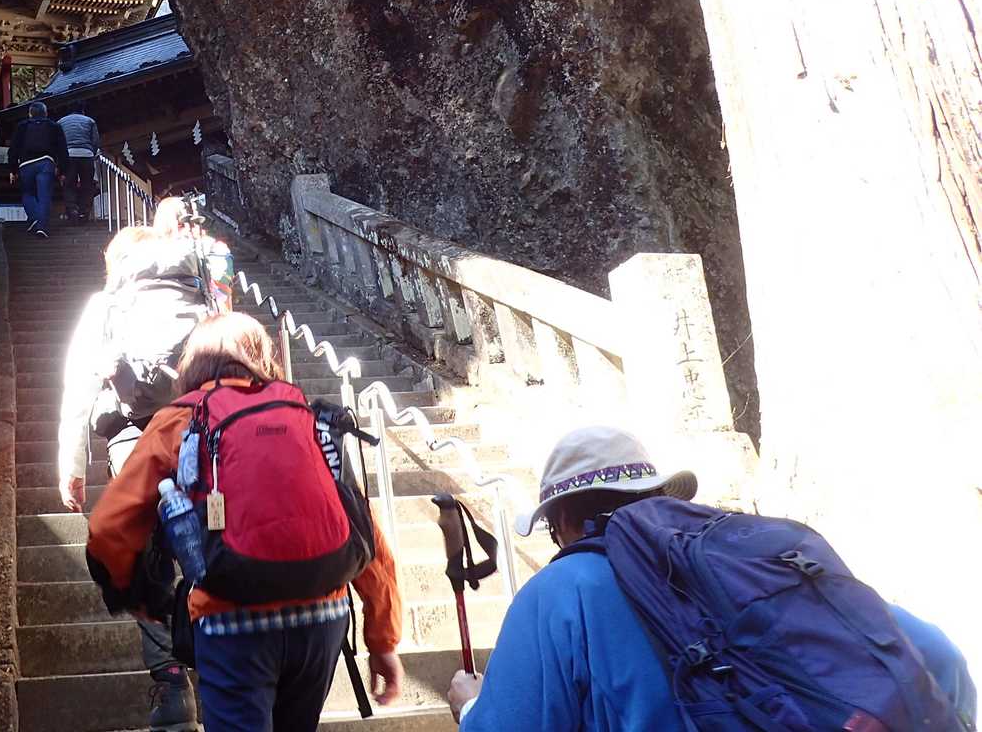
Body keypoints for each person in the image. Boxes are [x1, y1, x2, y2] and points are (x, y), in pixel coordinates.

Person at [447, 426, 978, 731]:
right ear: (659, 496)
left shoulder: (563, 592)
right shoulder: (750, 558)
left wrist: (471, 706)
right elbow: (938, 655)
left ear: (563, 519)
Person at [87, 312, 405, 732]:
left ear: (192, 364)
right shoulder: (303, 415)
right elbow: (364, 531)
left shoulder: (182, 418)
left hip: (230, 617)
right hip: (323, 615)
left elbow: (109, 527)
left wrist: (139, 598)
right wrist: (382, 638)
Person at [55, 225, 201, 731]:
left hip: (133, 441)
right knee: (207, 544)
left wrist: (72, 465)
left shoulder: (107, 305)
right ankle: (220, 653)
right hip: (198, 434)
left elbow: (78, 385)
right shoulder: (194, 295)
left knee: (144, 558)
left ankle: (171, 683)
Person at [8, 100, 66, 237]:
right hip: (46, 162)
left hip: (26, 164)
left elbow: (13, 149)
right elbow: (62, 149)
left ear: (30, 114)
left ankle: (34, 217)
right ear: (46, 113)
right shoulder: (54, 126)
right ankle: (42, 226)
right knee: (44, 195)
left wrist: (13, 169)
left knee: (27, 193)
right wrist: (62, 169)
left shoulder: (22, 126)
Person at [57, 107, 101, 222]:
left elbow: (57, 142)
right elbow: (96, 141)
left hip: (68, 154)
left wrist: (59, 159)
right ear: (83, 111)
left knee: (69, 184)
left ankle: (72, 209)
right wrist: (92, 152)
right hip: (86, 155)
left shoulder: (61, 122)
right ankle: (84, 211)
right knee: (87, 184)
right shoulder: (90, 121)